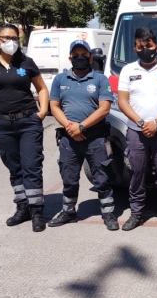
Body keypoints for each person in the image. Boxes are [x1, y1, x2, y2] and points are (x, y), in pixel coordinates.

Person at [0, 23, 49, 232]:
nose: (11, 42)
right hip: (1, 123)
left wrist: (42, 112)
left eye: (15, 38)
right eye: (6, 38)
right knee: (14, 167)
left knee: (31, 166)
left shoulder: (26, 62)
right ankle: (22, 207)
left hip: (28, 122)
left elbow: (42, 88)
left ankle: (37, 211)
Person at [47, 40, 118, 230]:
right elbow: (54, 106)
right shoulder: (60, 79)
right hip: (69, 138)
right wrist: (71, 127)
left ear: (90, 57)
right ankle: (69, 211)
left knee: (102, 177)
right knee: (69, 177)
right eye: (75, 55)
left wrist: (82, 126)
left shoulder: (100, 79)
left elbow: (104, 109)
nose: (80, 58)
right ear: (70, 58)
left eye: (83, 55)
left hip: (95, 137)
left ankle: (108, 213)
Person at [118, 27, 157, 233]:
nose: (145, 49)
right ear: (135, 48)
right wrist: (140, 123)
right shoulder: (128, 70)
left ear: (156, 46)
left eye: (149, 46)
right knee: (137, 173)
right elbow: (122, 101)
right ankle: (136, 213)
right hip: (136, 131)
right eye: (140, 46)